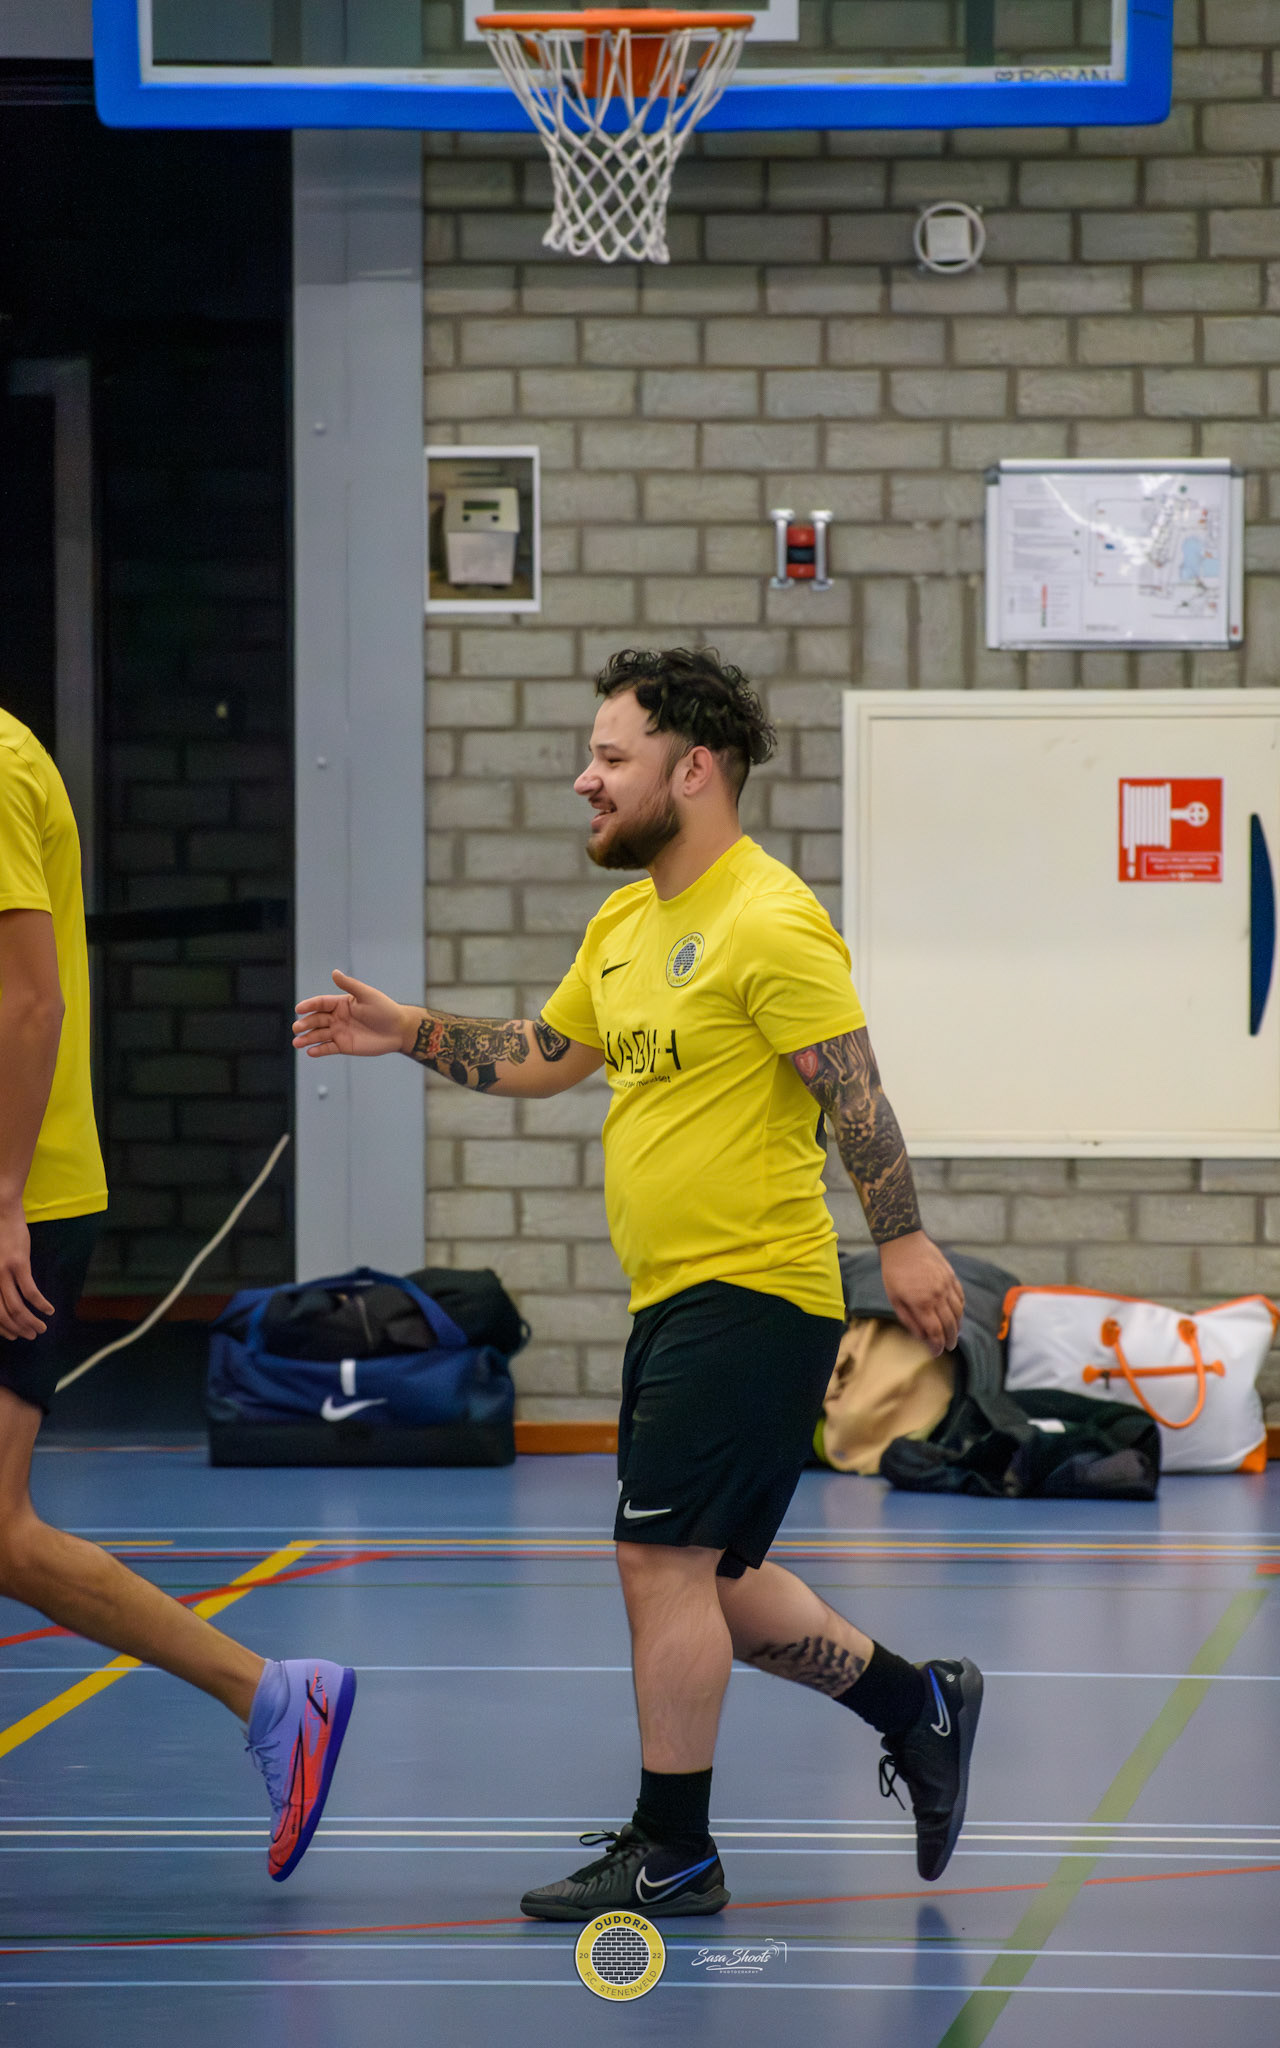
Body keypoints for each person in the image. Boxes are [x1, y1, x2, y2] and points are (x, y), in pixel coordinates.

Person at [294, 646, 979, 1920]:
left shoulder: (768, 917)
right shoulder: (624, 924)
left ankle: (676, 1848)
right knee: (709, 1578)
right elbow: (547, 1052)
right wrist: (407, 1031)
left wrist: (903, 1238)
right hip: (671, 1297)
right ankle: (918, 1701)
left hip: (754, 1289)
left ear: (694, 769)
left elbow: (855, 1089)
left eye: (611, 756)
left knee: (656, 1561)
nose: (585, 778)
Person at [0, 703, 354, 1881]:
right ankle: (273, 1695)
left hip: (23, 1199)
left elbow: (30, 1000)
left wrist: (4, 1198)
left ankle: (272, 1693)